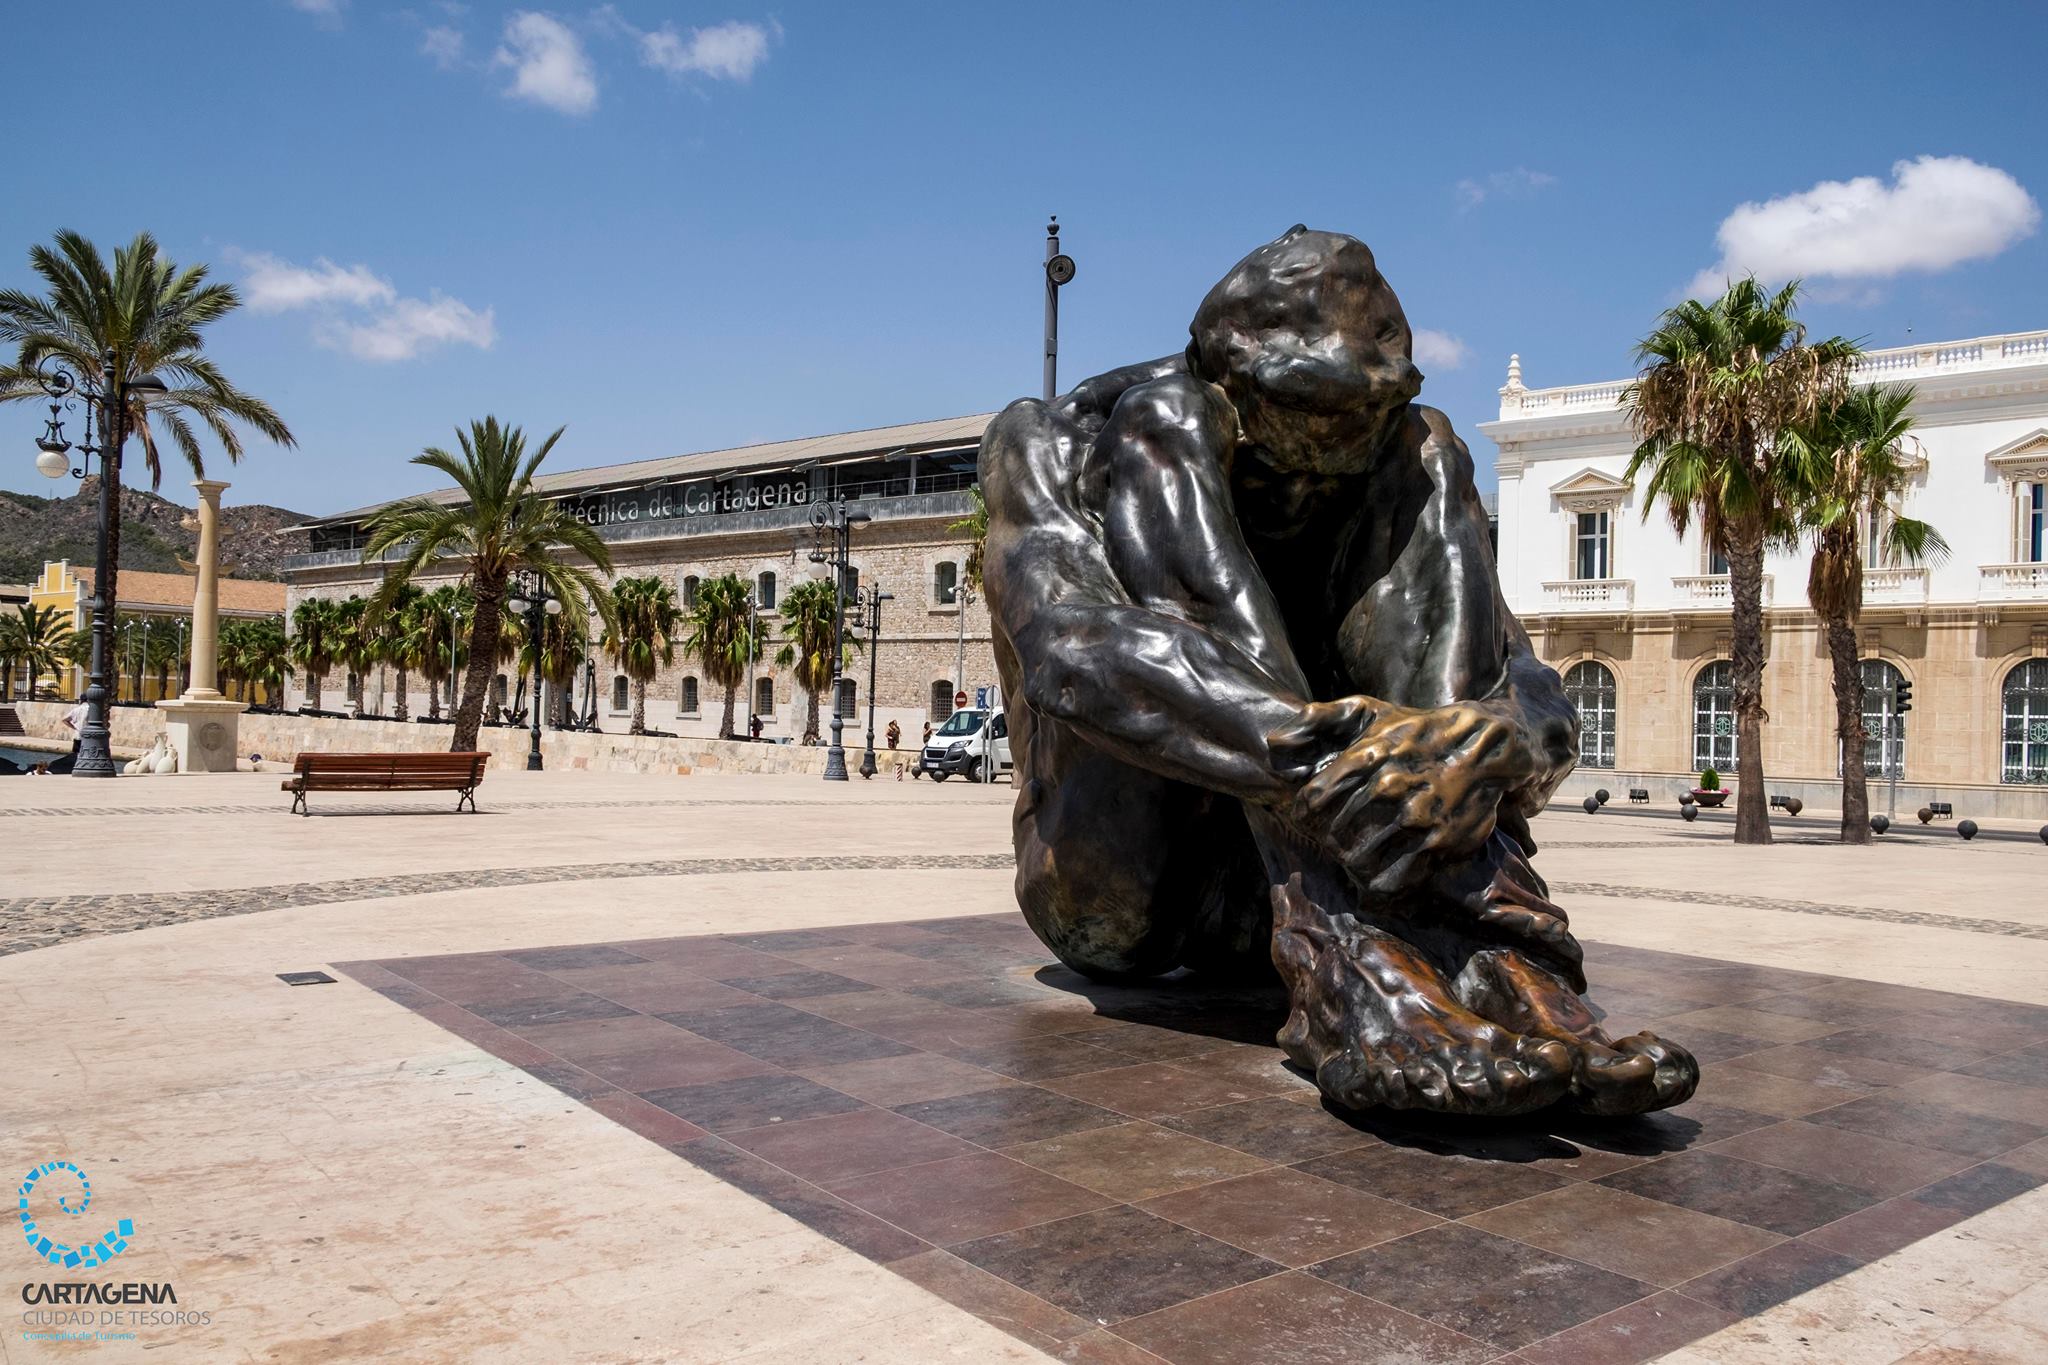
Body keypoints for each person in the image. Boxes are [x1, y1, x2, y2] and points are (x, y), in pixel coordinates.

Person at [981, 226, 1695, 1120]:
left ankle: (1498, 957)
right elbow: (1071, 653)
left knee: (1432, 454)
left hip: (1364, 867)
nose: (1348, 444)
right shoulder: (1052, 441)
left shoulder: (1399, 447)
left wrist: (1481, 742)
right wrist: (1348, 747)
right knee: (1159, 439)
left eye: (1371, 409)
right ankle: (1349, 971)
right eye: (1315, 415)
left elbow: (1533, 688)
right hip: (1130, 895)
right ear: (1228, 378)